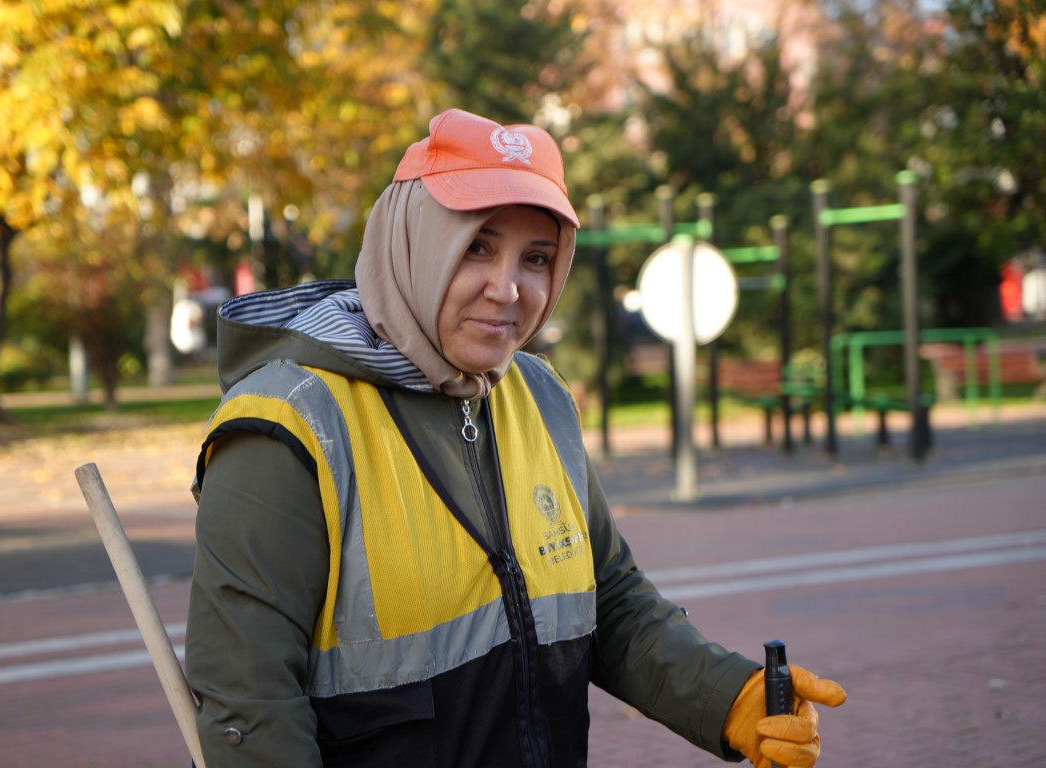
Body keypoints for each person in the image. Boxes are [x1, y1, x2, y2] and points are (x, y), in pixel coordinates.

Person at [185, 108, 846, 768]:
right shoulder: (287, 426)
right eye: (477, 246)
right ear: (412, 242)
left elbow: (610, 600)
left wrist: (728, 697)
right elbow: (251, 706)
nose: (507, 290)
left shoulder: (539, 395)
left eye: (536, 258)